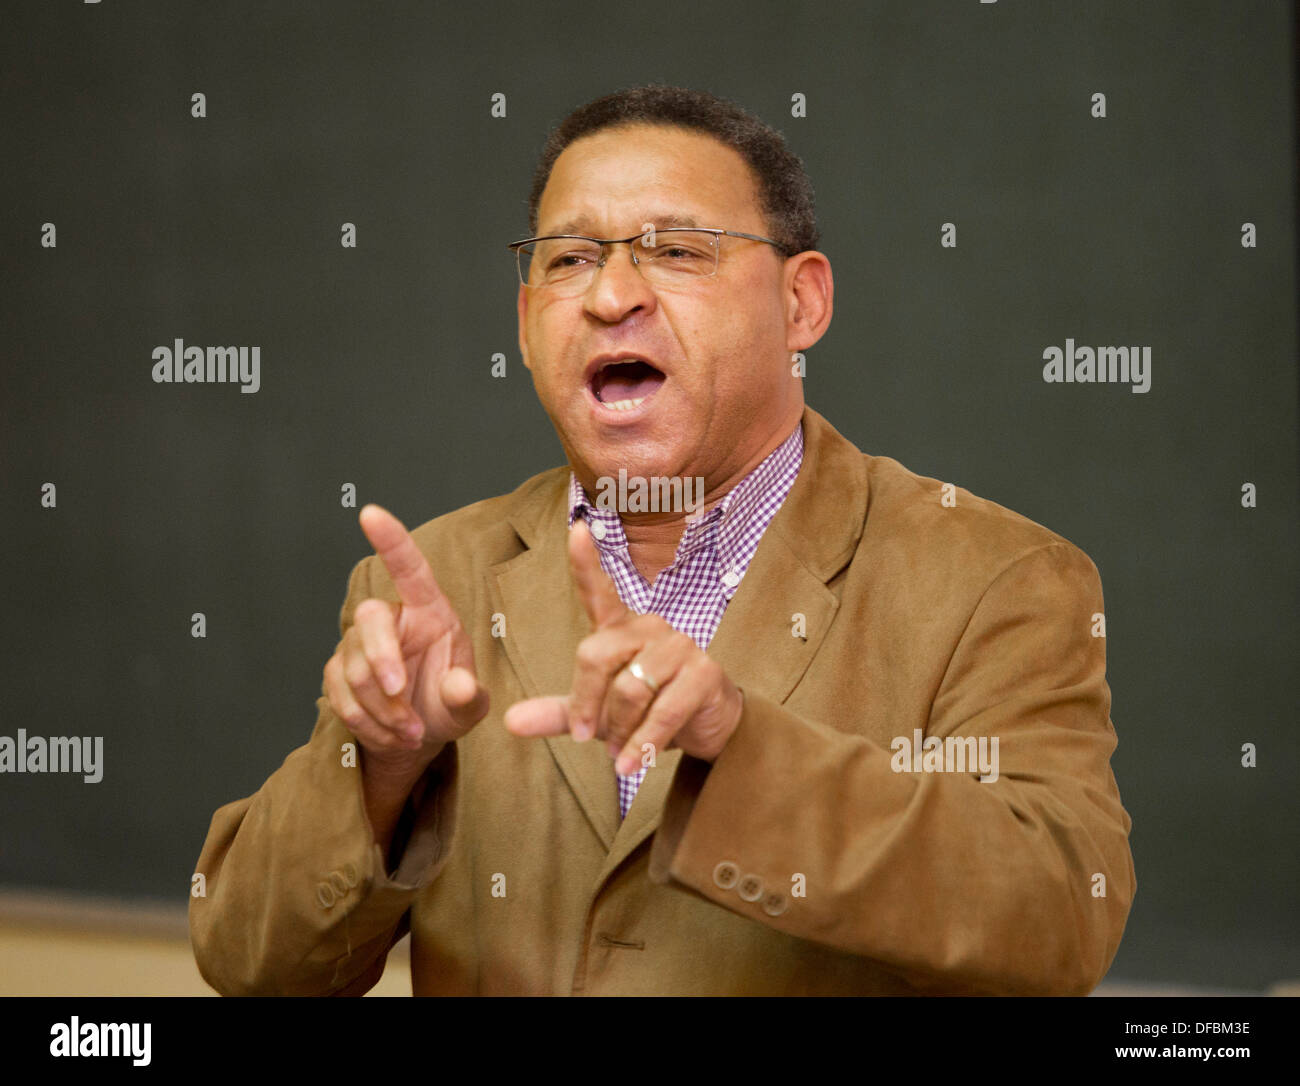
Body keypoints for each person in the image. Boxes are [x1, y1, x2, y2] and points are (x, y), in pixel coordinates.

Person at [189, 83, 1135, 996]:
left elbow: (1059, 917)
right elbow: (250, 962)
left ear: (802, 304)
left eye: (677, 249)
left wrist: (739, 743)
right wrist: (378, 771)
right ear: (524, 325)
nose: (610, 296)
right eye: (567, 261)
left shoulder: (996, 578)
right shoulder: (434, 579)